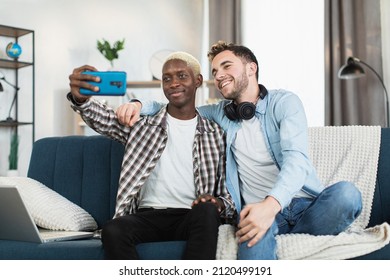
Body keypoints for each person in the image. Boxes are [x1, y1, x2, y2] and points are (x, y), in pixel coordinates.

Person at [117, 41, 363, 260]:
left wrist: (271, 205)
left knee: (347, 194)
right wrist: (139, 103)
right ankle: (289, 236)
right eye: (214, 71)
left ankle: (292, 233)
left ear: (251, 68)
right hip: (254, 211)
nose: (219, 75)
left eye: (226, 66)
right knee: (253, 248)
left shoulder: (284, 102)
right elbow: (176, 107)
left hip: (303, 205)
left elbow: (296, 160)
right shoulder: (220, 114)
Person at [67, 51, 236, 260]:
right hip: (148, 216)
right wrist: (80, 99)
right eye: (167, 78)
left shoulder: (216, 134)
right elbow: (103, 119)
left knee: (208, 212)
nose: (174, 83)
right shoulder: (142, 125)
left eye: (182, 76)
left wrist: (218, 204)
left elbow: (227, 195)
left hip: (192, 217)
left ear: (198, 81)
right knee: (113, 230)